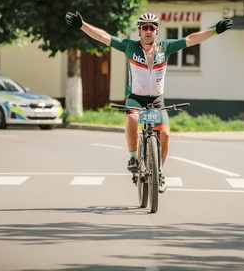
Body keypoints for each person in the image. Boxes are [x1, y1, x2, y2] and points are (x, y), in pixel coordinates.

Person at [65, 11, 233, 192]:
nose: (148, 31)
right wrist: (82, 25)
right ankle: (133, 157)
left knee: (165, 134)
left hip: (157, 99)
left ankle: (159, 172)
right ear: (139, 31)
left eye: (151, 28)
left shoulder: (165, 47)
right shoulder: (129, 46)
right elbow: (104, 37)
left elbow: (191, 39)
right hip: (135, 97)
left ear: (156, 31)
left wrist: (214, 31)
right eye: (144, 27)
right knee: (132, 118)